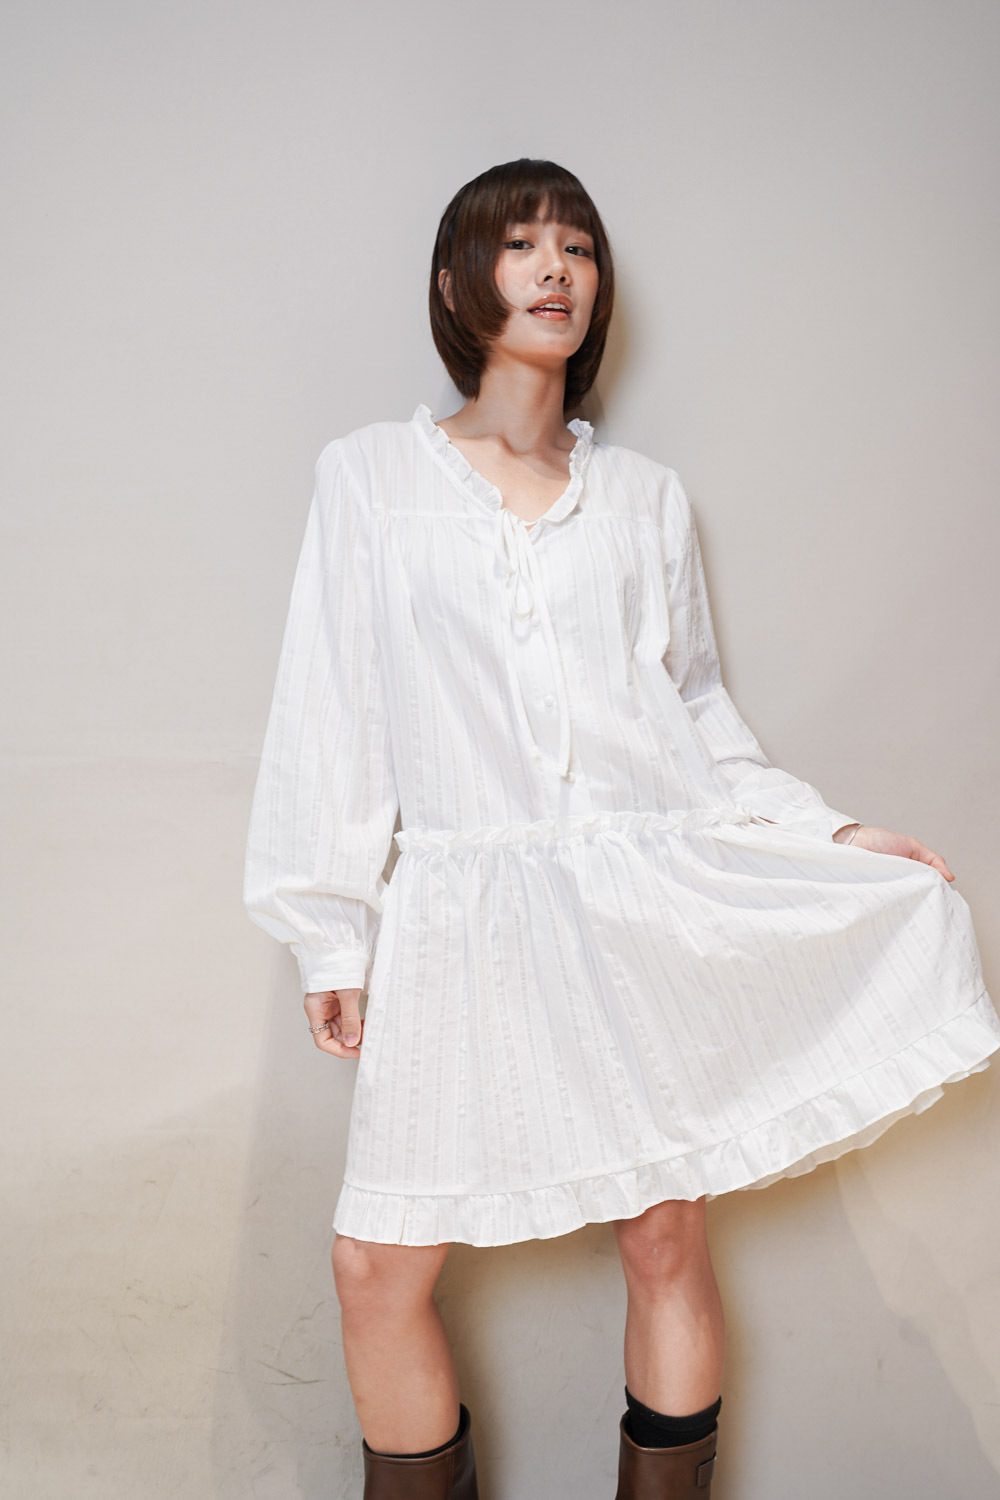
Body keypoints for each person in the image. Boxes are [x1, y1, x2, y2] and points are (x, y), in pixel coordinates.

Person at [242, 158, 1000, 1500]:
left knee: (662, 1233)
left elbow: (695, 713)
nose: (555, 268)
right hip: (462, 907)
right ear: (455, 285)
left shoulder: (645, 498)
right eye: (521, 243)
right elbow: (331, 707)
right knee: (376, 1264)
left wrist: (828, 837)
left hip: (640, 899)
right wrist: (330, 931)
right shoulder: (370, 478)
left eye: (578, 247)